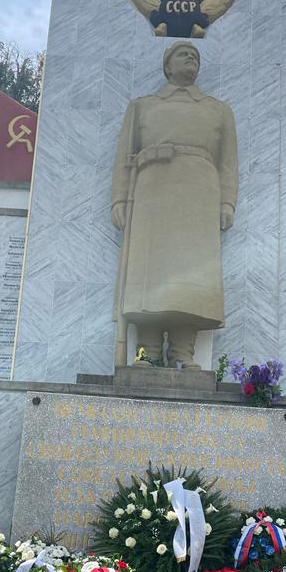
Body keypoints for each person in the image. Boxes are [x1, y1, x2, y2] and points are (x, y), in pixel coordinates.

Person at [111, 41, 238, 368]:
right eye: (183, 55)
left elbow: (228, 163)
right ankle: (147, 354)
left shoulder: (218, 110)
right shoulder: (143, 106)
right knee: (149, 278)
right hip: (151, 195)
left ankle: (183, 353)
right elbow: (124, 157)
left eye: (195, 56)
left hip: (199, 196)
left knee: (191, 276)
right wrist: (119, 199)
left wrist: (227, 201)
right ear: (168, 66)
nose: (191, 59)